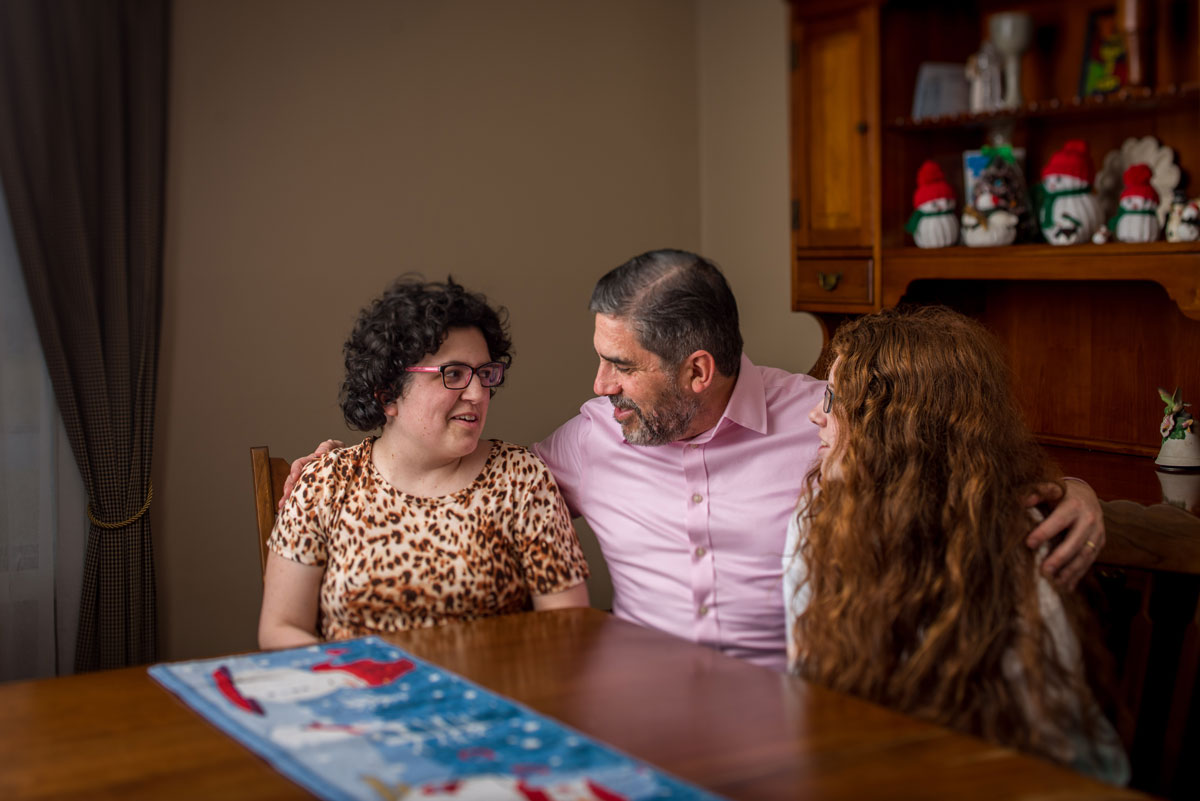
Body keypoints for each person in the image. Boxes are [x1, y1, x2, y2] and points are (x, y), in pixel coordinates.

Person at [283, 250, 1105, 670]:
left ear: (698, 372)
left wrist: (1072, 488)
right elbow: (472, 480)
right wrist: (365, 460)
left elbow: (950, 463)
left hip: (806, 702)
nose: (597, 386)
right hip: (641, 717)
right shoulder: (590, 437)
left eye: (621, 364)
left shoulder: (828, 421)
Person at [787, 306, 1127, 783]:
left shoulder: (1011, 541)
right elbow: (811, 689)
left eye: (833, 397)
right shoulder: (816, 517)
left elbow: (1043, 755)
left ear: (896, 426)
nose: (814, 414)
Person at [259, 277, 589, 649]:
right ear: (388, 395)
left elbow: (567, 628)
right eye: (454, 374)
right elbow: (280, 628)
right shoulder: (326, 481)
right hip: (356, 694)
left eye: (484, 373)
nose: (478, 394)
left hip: (484, 699)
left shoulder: (522, 479)